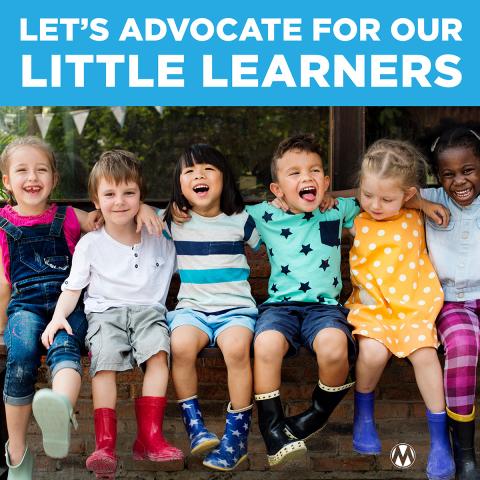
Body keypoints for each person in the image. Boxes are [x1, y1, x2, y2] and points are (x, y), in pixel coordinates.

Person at [41, 150, 183, 480]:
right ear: (96, 200)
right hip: (105, 314)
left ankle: (150, 437)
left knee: (159, 355)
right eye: (110, 194)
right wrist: (58, 316)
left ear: (141, 196)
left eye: (129, 193)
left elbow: (188, 211)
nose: (119, 202)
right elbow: (73, 287)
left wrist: (150, 210)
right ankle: (105, 445)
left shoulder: (160, 234)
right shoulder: (91, 243)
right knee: (103, 364)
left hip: (149, 312)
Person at [247, 134, 359, 467]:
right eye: (294, 173)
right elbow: (215, 207)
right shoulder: (263, 214)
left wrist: (333, 195)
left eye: (313, 172)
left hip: (324, 310)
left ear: (324, 182)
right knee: (264, 345)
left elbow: (383, 192)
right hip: (279, 308)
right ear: (277, 189)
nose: (305, 178)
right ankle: (273, 433)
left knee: (335, 348)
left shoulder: (337, 208)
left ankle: (315, 415)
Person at [346, 139, 455, 480]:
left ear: (407, 194)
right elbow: (328, 195)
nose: (375, 205)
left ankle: (440, 440)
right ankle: (363, 416)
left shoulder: (415, 214)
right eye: (368, 195)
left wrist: (421, 203)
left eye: (387, 198)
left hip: (413, 308)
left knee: (426, 355)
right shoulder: (354, 216)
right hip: (373, 309)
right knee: (373, 354)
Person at [0, 136, 99, 479]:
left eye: (41, 170)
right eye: (22, 170)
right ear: (7, 181)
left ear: (55, 179)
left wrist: (144, 208)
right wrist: (1, 328)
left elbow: (109, 217)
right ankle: (17, 456)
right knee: (21, 354)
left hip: (66, 304)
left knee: (65, 346)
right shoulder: (1, 223)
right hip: (24, 307)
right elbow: (2, 283)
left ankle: (60, 407)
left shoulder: (69, 217)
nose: (32, 178)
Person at [164, 144, 260, 471]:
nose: (199, 175)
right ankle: (195, 428)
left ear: (224, 180)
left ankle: (236, 439)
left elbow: (275, 233)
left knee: (236, 349)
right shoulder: (172, 222)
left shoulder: (241, 220)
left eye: (208, 169)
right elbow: (133, 216)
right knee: (180, 345)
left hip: (235, 310)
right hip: (192, 309)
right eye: (189, 171)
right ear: (179, 185)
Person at [421, 126, 480, 480]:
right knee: (462, 345)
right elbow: (382, 191)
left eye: (468, 170)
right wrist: (422, 203)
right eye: (448, 174)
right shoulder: (432, 199)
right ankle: (465, 451)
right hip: (452, 302)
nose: (459, 181)